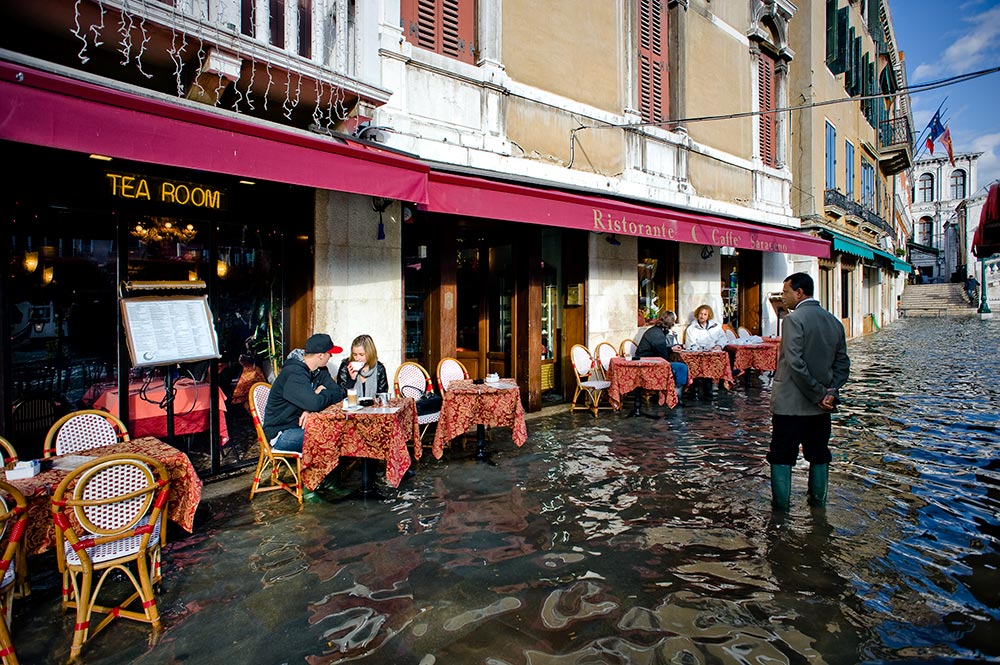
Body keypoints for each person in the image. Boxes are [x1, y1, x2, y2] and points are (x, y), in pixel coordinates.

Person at [768, 272, 850, 511]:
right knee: (819, 454)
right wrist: (830, 392)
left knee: (782, 456)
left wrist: (818, 394)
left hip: (791, 405)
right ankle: (818, 509)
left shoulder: (793, 320)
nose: (783, 298)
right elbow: (842, 364)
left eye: (785, 292)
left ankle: (780, 514)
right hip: (820, 408)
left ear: (799, 292)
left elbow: (795, 363)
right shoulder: (833, 320)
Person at [263, 333, 346, 453]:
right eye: (330, 353)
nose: (331, 356)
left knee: (340, 431)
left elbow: (338, 392)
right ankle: (320, 472)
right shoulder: (293, 373)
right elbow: (315, 403)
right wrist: (315, 400)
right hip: (281, 433)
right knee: (329, 437)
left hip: (301, 426)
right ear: (321, 355)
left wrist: (310, 408)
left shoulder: (319, 370)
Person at [634, 310, 689, 405]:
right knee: (682, 368)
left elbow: (658, 349)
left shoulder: (655, 330)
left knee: (679, 365)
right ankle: (677, 397)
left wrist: (671, 349)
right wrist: (670, 350)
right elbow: (662, 356)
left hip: (651, 359)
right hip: (649, 363)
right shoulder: (657, 335)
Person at [684, 304, 728, 399]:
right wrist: (698, 348)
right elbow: (690, 342)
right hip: (697, 355)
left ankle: (710, 390)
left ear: (708, 316)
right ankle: (695, 390)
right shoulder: (692, 328)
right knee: (696, 367)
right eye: (700, 314)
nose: (702, 316)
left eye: (705, 314)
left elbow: (723, 338)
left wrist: (718, 346)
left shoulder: (715, 326)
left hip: (712, 354)